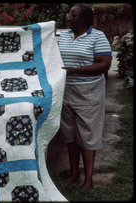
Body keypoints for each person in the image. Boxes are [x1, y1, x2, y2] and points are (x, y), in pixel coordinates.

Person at [57, 3, 112, 190]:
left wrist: (77, 70)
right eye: (69, 14)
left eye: (72, 15)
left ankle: (89, 179)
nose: (68, 17)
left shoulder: (98, 36)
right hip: (65, 89)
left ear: (84, 18)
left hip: (88, 90)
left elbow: (105, 63)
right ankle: (74, 174)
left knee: (88, 134)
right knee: (69, 133)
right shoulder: (64, 35)